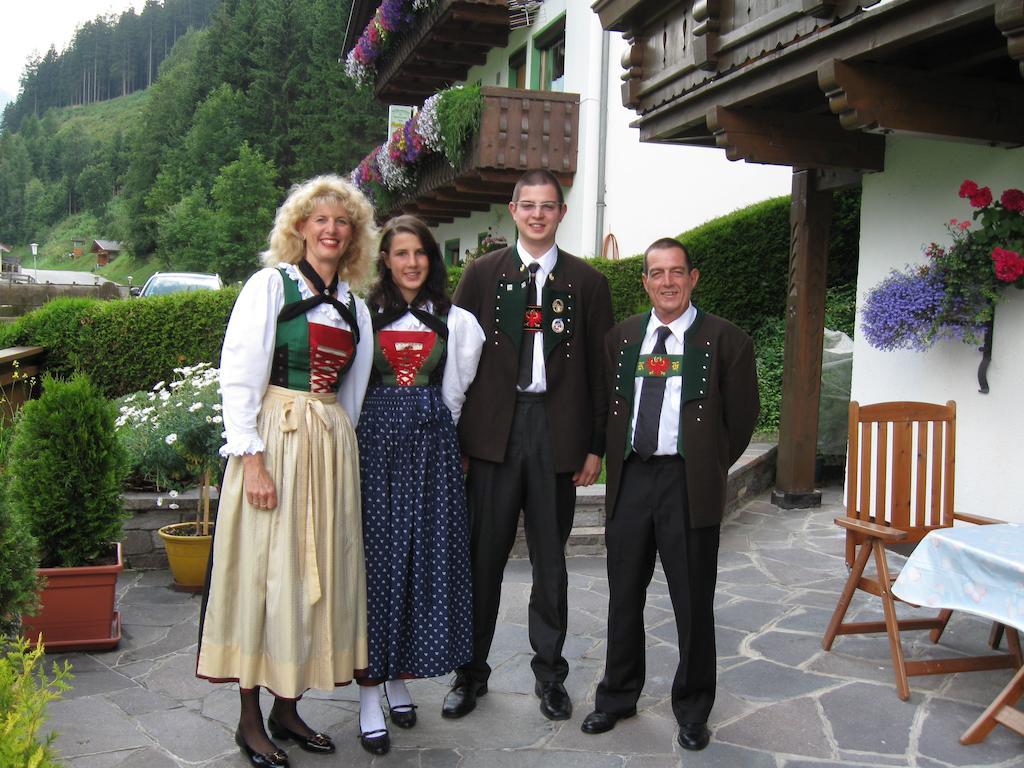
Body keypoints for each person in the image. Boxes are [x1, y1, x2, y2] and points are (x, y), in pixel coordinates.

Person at [196, 174, 375, 768]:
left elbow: (353, 392)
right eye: (319, 219)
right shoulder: (269, 286)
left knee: (310, 573)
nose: (330, 229)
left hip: (325, 447)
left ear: (353, 237)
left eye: (341, 221)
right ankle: (250, 716)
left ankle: (287, 706)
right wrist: (251, 460)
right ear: (299, 228)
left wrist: (335, 451)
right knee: (265, 575)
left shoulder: (355, 305)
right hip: (274, 440)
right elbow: (240, 373)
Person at [444, 169, 614, 721]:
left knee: (550, 563)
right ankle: (469, 674)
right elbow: (456, 361)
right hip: (493, 432)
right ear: (512, 211)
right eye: (528, 205)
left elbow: (602, 372)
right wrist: (459, 438)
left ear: (561, 213)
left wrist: (594, 445)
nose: (538, 214)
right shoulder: (481, 275)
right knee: (482, 560)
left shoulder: (588, 284)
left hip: (556, 434)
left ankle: (551, 677)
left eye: (548, 206)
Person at [580, 238, 759, 751]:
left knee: (692, 600)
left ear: (693, 277)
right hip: (632, 478)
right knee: (623, 596)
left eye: (676, 272)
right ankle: (616, 696)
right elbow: (608, 404)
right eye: (656, 273)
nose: (667, 282)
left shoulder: (727, 341)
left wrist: (705, 465)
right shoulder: (622, 339)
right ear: (645, 281)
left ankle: (694, 706)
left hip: (687, 484)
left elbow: (741, 421)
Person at [354, 215, 484, 754]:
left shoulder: (455, 321)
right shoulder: (364, 317)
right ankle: (367, 695)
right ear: (385, 259)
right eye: (400, 253)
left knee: (418, 565)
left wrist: (443, 446)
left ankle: (398, 677)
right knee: (376, 568)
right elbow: (353, 388)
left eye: (420, 253)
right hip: (374, 447)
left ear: (432, 259)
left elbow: (453, 394)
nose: (411, 263)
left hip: (431, 450)